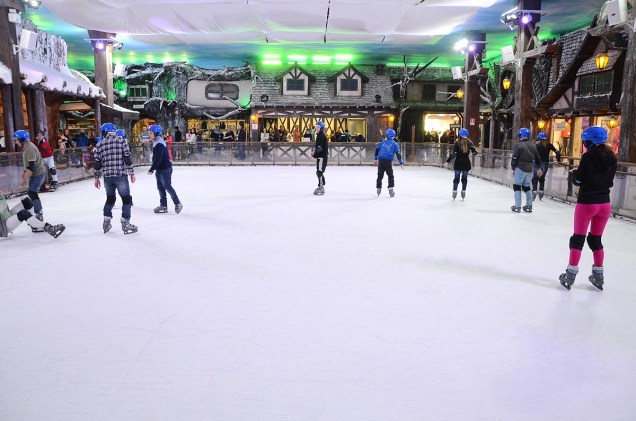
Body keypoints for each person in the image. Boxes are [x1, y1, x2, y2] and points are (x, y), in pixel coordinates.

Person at [559, 126, 617, 291]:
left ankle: (570, 274)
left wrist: (575, 174)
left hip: (587, 203)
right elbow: (608, 181)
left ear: (589, 141)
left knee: (578, 239)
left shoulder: (588, 156)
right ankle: (598, 275)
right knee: (595, 240)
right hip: (604, 204)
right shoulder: (612, 157)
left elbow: (579, 181)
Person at [93, 122, 138, 234]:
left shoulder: (100, 144)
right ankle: (125, 222)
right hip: (120, 175)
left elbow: (97, 163)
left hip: (108, 177)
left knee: (110, 199)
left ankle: (106, 221)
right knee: (126, 199)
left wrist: (96, 178)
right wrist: (131, 173)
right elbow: (127, 159)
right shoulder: (122, 141)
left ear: (104, 132)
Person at [13, 130, 47, 231]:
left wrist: (25, 179)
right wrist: (24, 174)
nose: (15, 142)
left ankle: (39, 215)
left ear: (21, 139)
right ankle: (36, 215)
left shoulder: (29, 149)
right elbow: (28, 166)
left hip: (38, 174)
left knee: (32, 193)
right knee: (31, 193)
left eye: (16, 140)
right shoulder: (27, 147)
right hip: (36, 174)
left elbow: (31, 168)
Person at [147, 124, 183, 215]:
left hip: (165, 169)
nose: (149, 135)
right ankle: (163, 206)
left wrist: (152, 169)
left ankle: (178, 203)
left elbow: (158, 159)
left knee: (167, 186)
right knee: (160, 188)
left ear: (156, 134)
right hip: (160, 169)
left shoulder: (159, 143)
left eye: (151, 133)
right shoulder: (157, 141)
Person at [0, 194, 65, 238]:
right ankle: (48, 228)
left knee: (26, 201)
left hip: (7, 216)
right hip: (4, 226)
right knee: (23, 214)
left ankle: (35, 225)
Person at [510, 127, 541, 213]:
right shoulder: (533, 145)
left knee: (517, 186)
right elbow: (537, 158)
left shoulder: (518, 145)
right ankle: (529, 205)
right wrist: (538, 168)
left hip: (520, 168)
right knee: (526, 187)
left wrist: (513, 167)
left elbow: (515, 157)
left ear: (520, 135)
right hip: (529, 169)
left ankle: (517, 206)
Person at [445, 128, 478, 200]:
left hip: (458, 163)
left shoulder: (457, 143)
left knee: (456, 178)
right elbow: (474, 152)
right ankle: (463, 191)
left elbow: (454, 154)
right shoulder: (470, 142)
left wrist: (447, 161)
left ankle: (454, 191)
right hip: (466, 163)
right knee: (464, 178)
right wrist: (474, 151)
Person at [531, 132, 561, 201]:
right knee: (542, 178)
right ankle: (541, 192)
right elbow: (557, 152)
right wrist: (558, 159)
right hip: (545, 163)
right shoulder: (549, 145)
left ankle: (534, 191)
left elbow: (532, 153)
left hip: (537, 162)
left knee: (535, 178)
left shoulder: (536, 145)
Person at [374, 128, 403, 197]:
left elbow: (376, 150)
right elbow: (398, 154)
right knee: (390, 175)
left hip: (381, 161)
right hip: (388, 162)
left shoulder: (383, 142)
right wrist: (401, 163)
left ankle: (378, 188)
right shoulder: (395, 144)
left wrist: (375, 159)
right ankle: (390, 189)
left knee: (380, 175)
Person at [312, 121, 329, 195]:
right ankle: (322, 184)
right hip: (321, 157)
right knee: (319, 171)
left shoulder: (321, 136)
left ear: (321, 128)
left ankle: (321, 187)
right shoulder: (319, 135)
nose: (316, 128)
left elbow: (319, 148)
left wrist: (314, 155)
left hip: (321, 157)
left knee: (319, 171)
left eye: (318, 127)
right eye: (316, 126)